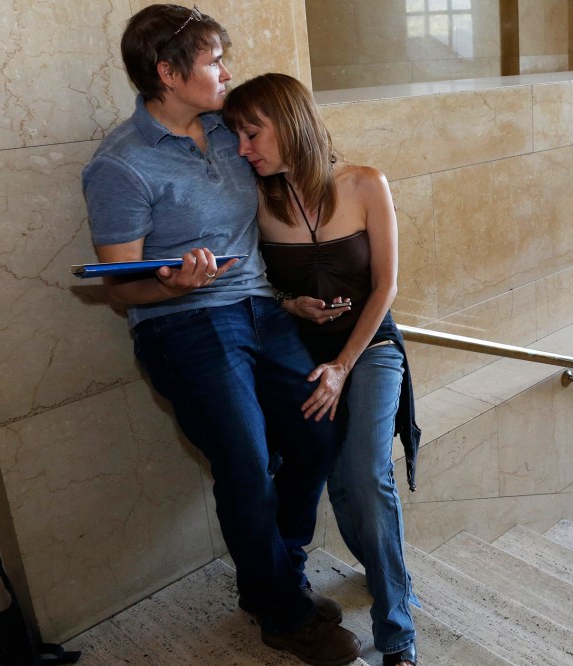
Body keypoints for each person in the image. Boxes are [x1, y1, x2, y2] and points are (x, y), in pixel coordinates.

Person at [81, 6, 361, 665]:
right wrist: (174, 286)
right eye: (213, 61)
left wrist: (297, 295)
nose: (227, 72)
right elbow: (120, 286)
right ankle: (282, 612)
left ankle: (276, 568)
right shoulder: (120, 167)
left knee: (317, 430)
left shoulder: (228, 131)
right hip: (184, 326)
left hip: (263, 311)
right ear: (169, 73)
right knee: (245, 463)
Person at [223, 73, 421, 666]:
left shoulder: (364, 183)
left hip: (370, 347)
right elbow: (250, 282)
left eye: (252, 133)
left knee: (365, 473)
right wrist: (289, 305)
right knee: (318, 466)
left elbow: (385, 285)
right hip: (296, 354)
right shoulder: (257, 197)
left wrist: (341, 364)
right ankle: (299, 580)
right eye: (235, 134)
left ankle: (397, 633)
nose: (243, 148)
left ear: (289, 124)